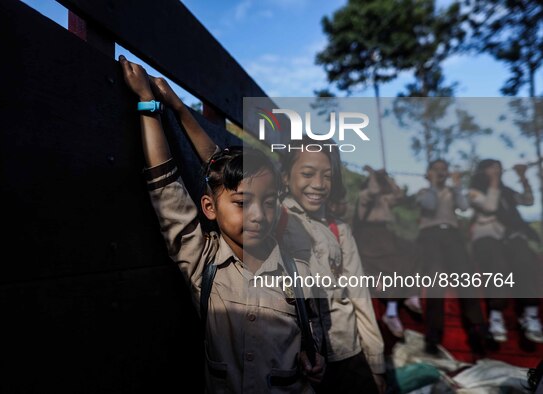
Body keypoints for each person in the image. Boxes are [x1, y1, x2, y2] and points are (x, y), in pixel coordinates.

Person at [118, 55, 325, 392]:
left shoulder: (299, 273)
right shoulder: (204, 263)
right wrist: (150, 104)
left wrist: (315, 360)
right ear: (209, 208)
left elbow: (311, 333)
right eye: (243, 204)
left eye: (269, 202)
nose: (258, 214)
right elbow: (168, 189)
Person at [277, 139, 386, 394]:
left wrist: (376, 363)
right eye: (307, 173)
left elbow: (360, 298)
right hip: (300, 360)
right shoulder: (274, 221)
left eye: (327, 176)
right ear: (284, 177)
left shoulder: (340, 230)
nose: (318, 184)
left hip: (348, 352)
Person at [416, 159, 487, 356]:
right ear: (429, 172)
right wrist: (432, 184)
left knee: (466, 280)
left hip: (453, 236)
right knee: (436, 282)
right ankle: (433, 335)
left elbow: (464, 206)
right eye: (436, 170)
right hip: (430, 236)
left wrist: (456, 186)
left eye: (443, 170)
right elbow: (429, 206)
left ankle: (477, 329)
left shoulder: (452, 192)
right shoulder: (423, 192)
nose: (441, 173)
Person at [468, 159, 543, 344]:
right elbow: (490, 206)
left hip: (508, 239)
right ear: (483, 172)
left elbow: (528, 200)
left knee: (524, 260)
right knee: (497, 267)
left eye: (498, 168)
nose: (497, 171)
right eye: (492, 168)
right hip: (486, 240)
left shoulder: (507, 192)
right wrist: (494, 183)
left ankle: (530, 314)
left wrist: (523, 178)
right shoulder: (473, 192)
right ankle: (495, 315)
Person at [353, 166, 422, 339]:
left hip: (385, 234)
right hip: (370, 237)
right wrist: (373, 175)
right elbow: (373, 190)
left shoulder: (383, 200)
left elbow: (398, 195)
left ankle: (409, 294)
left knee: (411, 251)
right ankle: (392, 312)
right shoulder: (364, 197)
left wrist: (387, 177)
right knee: (393, 269)